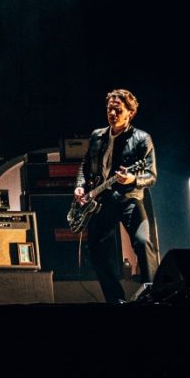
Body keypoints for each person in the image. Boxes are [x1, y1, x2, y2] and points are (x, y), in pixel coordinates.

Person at [73, 88, 158, 304]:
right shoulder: (97, 136)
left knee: (142, 241)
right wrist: (81, 186)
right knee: (95, 250)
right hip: (100, 200)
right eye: (109, 108)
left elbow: (151, 175)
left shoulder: (141, 139)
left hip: (129, 198)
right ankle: (116, 300)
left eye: (117, 109)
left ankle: (154, 295)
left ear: (130, 112)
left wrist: (132, 180)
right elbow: (85, 165)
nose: (112, 112)